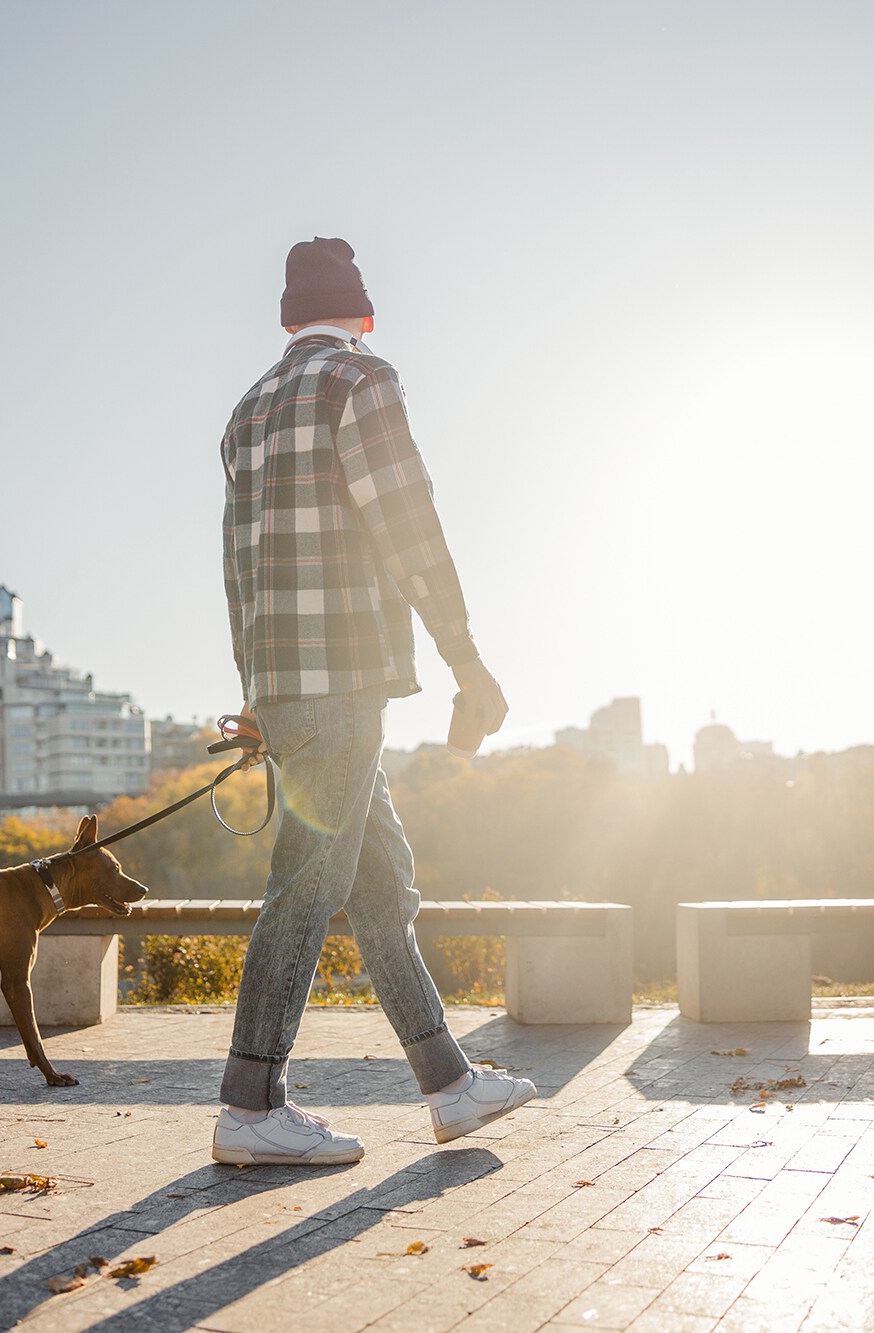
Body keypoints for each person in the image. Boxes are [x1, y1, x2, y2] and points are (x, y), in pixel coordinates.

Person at [211, 237, 533, 1166]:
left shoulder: (245, 413)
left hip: (285, 684)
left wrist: (257, 696)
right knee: (307, 884)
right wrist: (468, 661)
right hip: (345, 678)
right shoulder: (360, 381)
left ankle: (448, 1085)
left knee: (382, 886)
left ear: (286, 320)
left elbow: (237, 571)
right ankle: (249, 1099)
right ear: (365, 314)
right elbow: (409, 527)